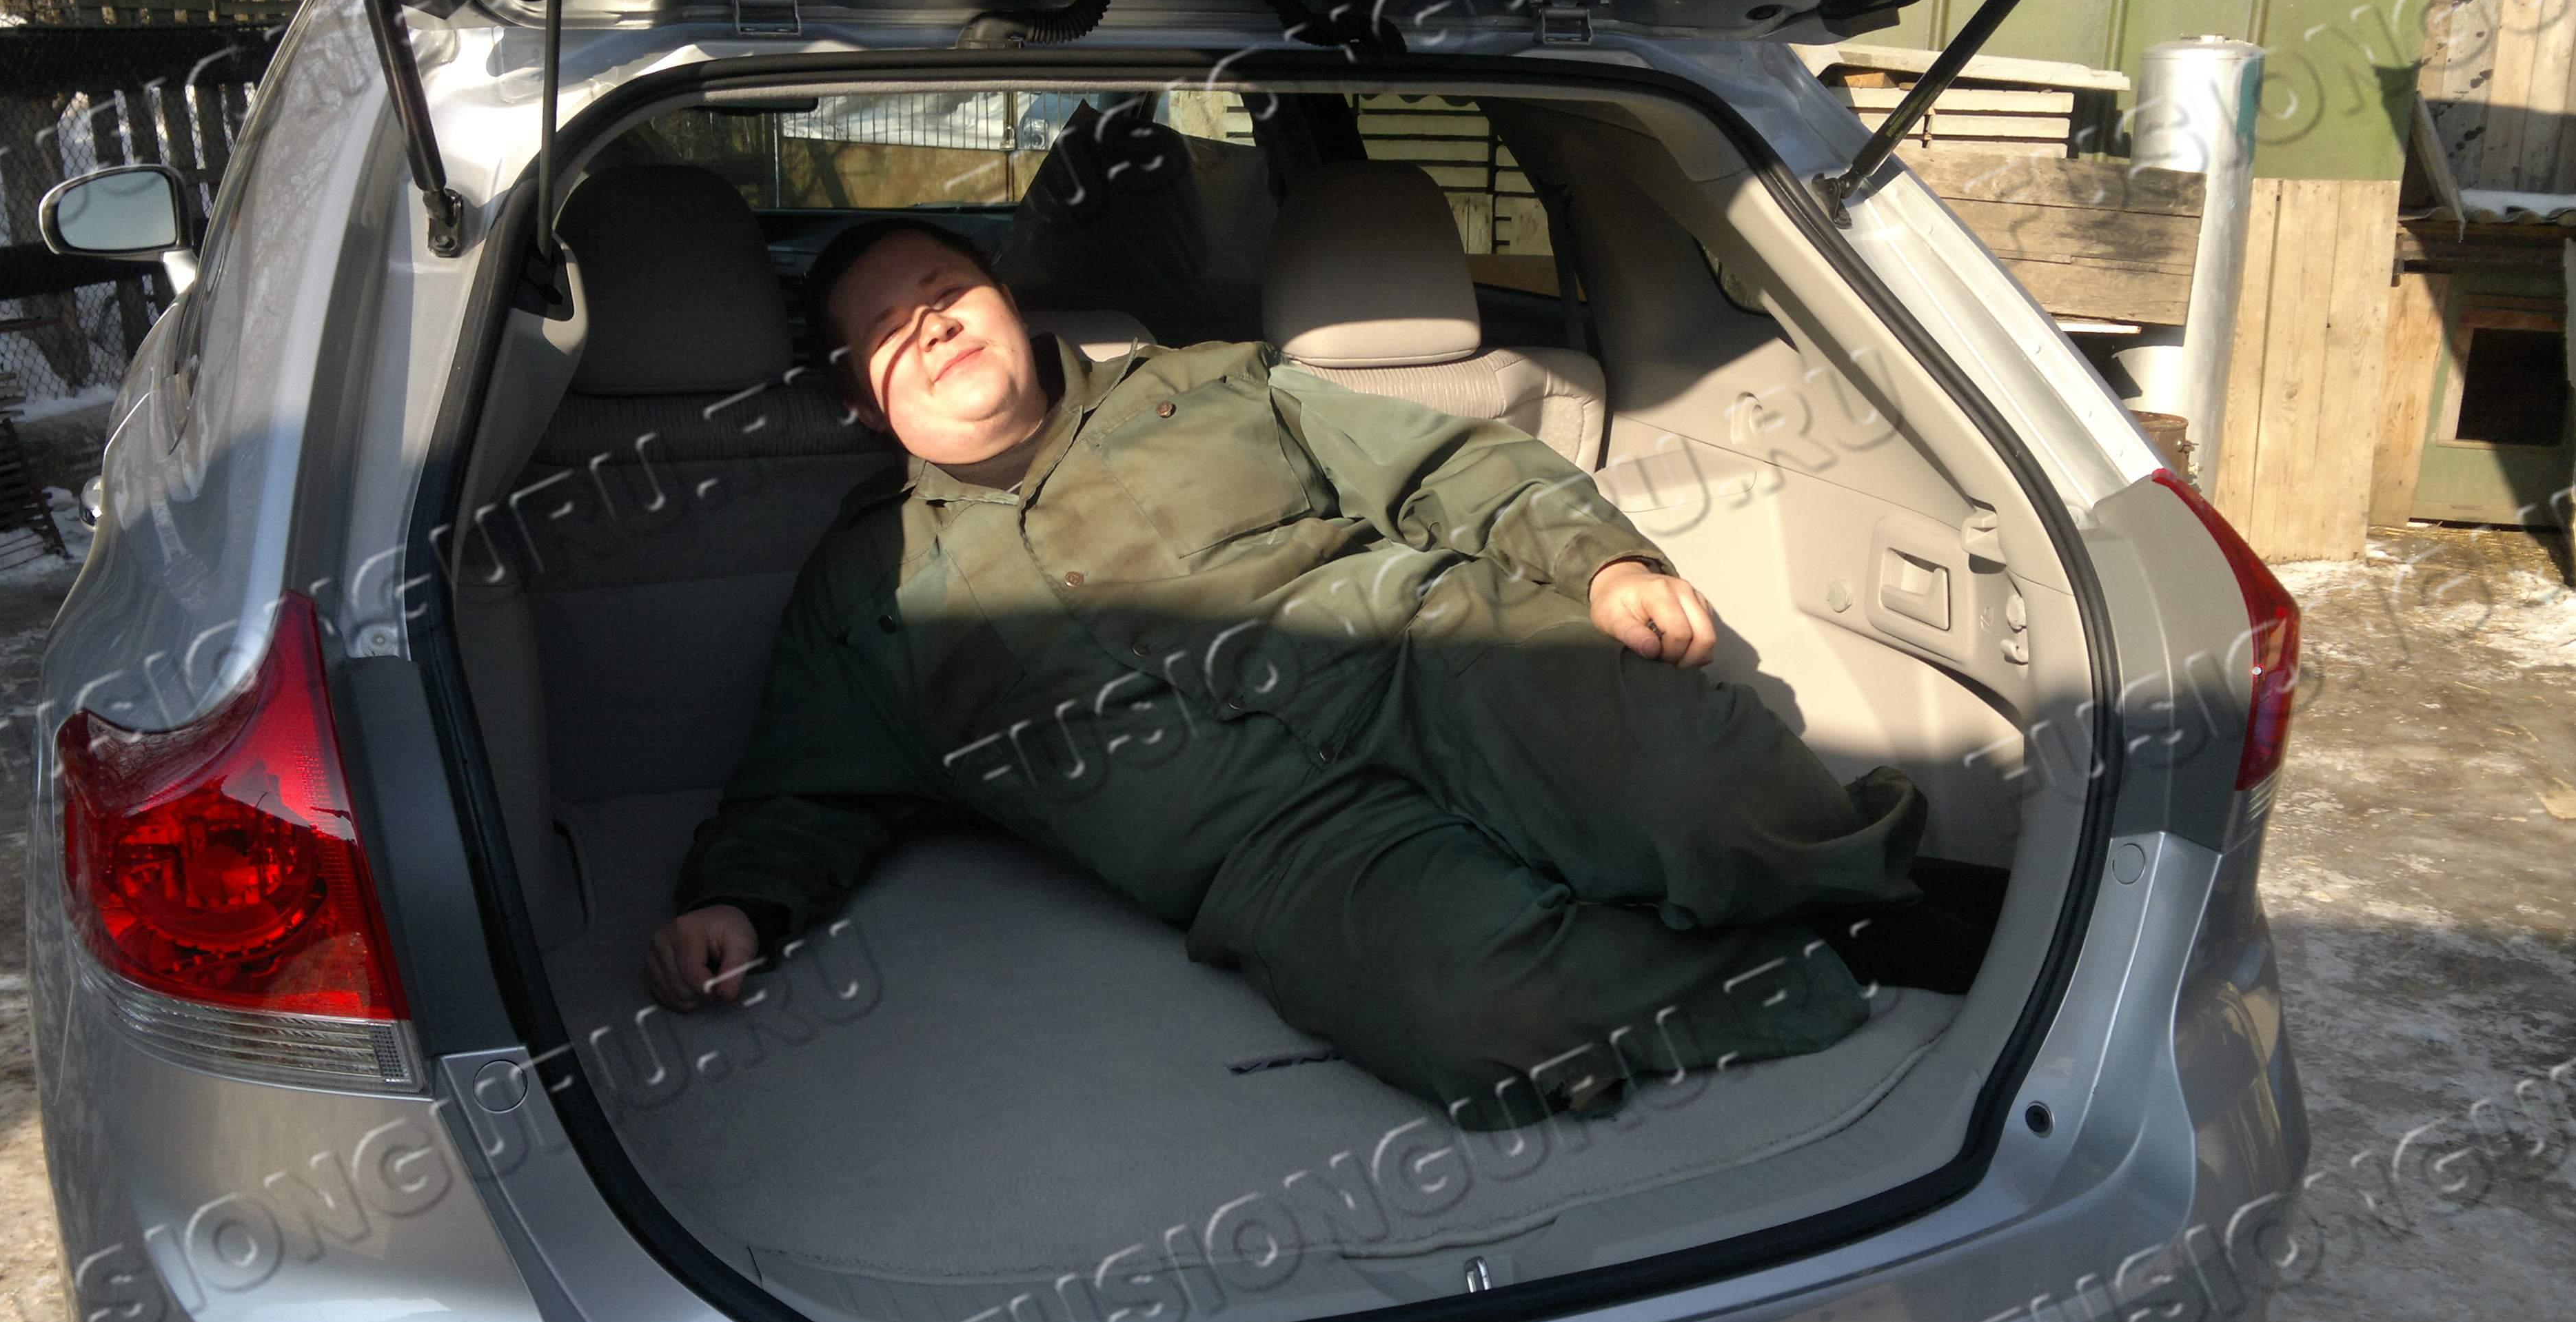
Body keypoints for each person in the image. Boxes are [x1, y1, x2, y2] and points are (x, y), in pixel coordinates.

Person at [645, 218, 1967, 1128]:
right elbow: (806, 783)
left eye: (946, 290)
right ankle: (1806, 969)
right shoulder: (867, 588)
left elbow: (1451, 469)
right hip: (1267, 849)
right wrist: (739, 901)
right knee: (1478, 1019)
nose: (928, 325)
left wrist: (1602, 563)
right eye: (885, 331)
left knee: (1715, 793)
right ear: (859, 400)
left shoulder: (1213, 384)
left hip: (1448, 660)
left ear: (1009, 300)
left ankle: (1864, 888)